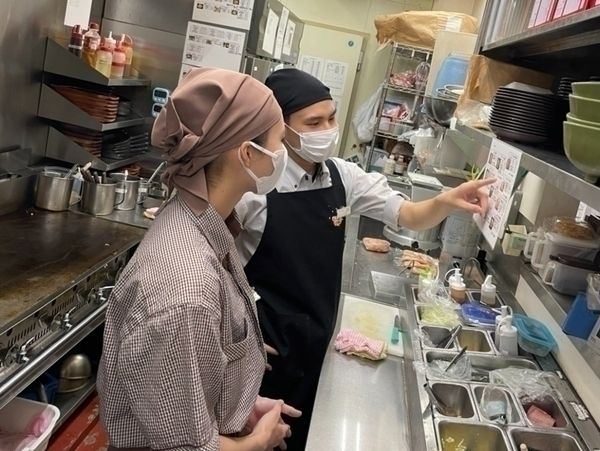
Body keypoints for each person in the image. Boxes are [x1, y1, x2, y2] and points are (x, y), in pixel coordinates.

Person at [235, 68, 494, 450]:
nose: (328, 129)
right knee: (257, 435)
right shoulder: (254, 188)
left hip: (318, 336)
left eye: (331, 117)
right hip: (265, 346)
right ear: (281, 127)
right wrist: (235, 332)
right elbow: (215, 264)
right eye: (313, 122)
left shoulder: (342, 176)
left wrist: (446, 201)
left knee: (301, 435)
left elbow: (407, 214)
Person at [98, 67, 301, 451]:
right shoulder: (187, 288)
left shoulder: (203, 221)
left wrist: (239, 405)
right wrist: (257, 441)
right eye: (278, 142)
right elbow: (183, 447)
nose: (282, 155)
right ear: (247, 153)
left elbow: (186, 376)